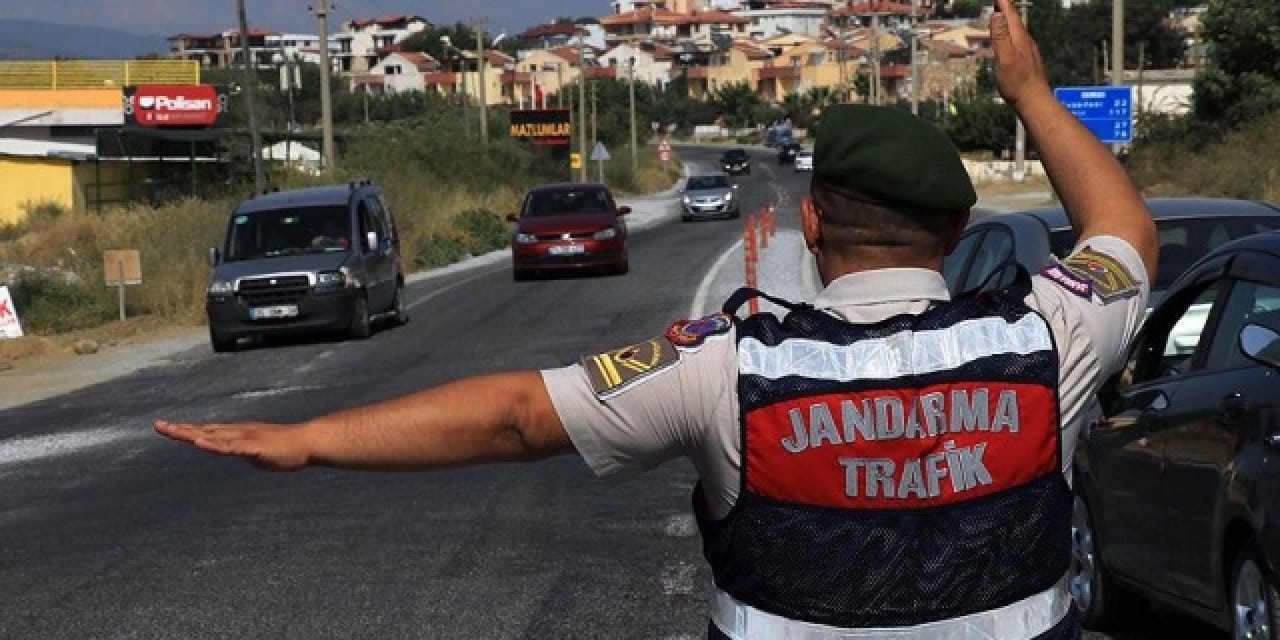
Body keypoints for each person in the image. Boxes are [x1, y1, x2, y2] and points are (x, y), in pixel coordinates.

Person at [156, 2, 1157, 637]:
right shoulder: (1045, 337)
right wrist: (1026, 91)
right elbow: (1119, 228)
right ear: (951, 229)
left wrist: (309, 439)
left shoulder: (727, 366)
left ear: (809, 221)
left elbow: (513, 416)